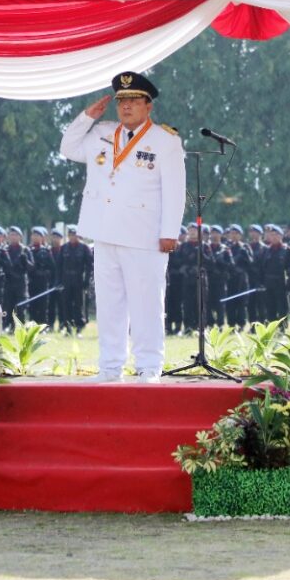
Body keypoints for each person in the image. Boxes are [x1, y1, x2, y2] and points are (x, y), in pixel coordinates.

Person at [60, 70, 185, 382]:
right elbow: (68, 149)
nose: (126, 106)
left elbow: (174, 189)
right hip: (104, 232)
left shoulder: (165, 140)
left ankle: (148, 366)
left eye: (134, 100)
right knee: (109, 303)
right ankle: (110, 366)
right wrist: (86, 117)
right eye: (121, 101)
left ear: (148, 106)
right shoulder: (102, 132)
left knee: (146, 303)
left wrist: (170, 231)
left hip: (144, 234)